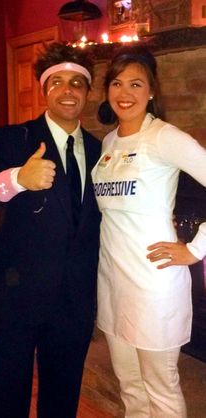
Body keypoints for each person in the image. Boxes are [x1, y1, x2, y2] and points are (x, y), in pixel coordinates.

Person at [0, 42, 101, 418]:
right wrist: (17, 179)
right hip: (15, 302)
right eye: (57, 81)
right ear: (45, 90)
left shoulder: (99, 151)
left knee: (61, 405)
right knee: (4, 403)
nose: (68, 90)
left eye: (77, 82)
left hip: (73, 306)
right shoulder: (14, 139)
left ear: (88, 92)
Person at [92, 45, 206, 418]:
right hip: (112, 283)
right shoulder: (109, 143)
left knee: (160, 387)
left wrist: (196, 248)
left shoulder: (163, 137)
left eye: (136, 84)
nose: (125, 93)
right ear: (108, 90)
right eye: (118, 83)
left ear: (151, 91)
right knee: (130, 386)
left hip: (153, 287)